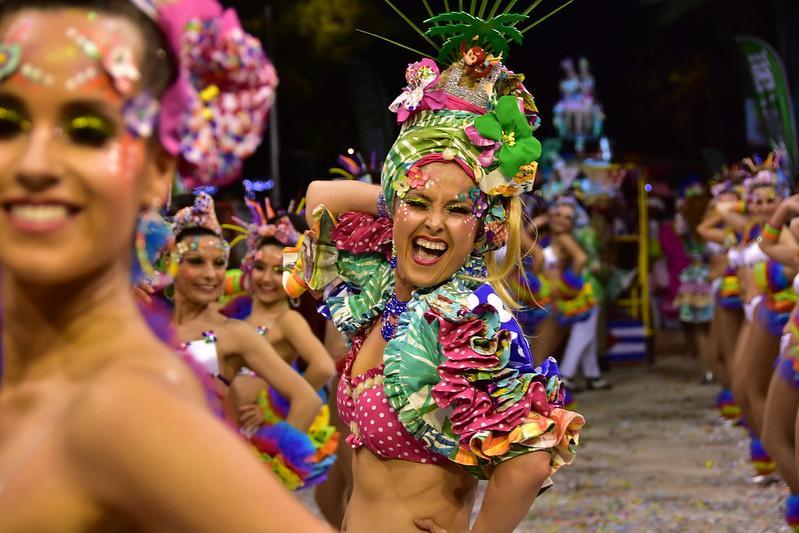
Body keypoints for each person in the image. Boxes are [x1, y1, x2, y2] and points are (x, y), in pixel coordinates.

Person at [0, 0, 330, 530]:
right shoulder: (46, 382)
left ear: (158, 171)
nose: (34, 163)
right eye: (7, 122)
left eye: (88, 131)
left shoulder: (126, 410)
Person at [288, 13, 585, 528]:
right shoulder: (385, 291)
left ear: (482, 224)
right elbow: (318, 201)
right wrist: (406, 194)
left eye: (457, 210)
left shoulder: (470, 321)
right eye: (420, 203)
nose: (435, 223)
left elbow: (531, 461)